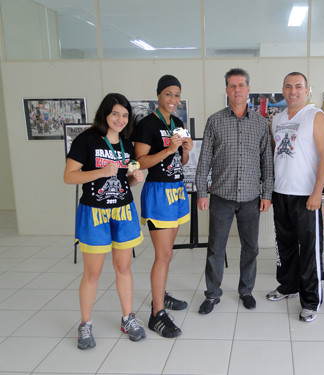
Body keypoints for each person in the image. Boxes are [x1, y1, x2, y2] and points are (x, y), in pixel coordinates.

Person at [63, 93, 146, 349]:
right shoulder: (86, 140)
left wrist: (136, 178)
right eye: (115, 114)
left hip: (122, 211)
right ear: (105, 114)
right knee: (93, 272)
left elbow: (125, 180)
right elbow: (69, 177)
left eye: (124, 115)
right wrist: (101, 171)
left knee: (123, 268)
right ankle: (85, 324)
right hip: (94, 213)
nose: (120, 119)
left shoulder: (127, 144)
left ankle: (127, 318)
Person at [195, 68, 273, 314]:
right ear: (227, 90)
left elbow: (267, 162)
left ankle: (246, 290)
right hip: (221, 197)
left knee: (251, 247)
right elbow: (204, 158)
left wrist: (267, 193)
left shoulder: (261, 123)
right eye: (232, 85)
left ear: (248, 89)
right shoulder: (215, 121)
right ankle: (212, 294)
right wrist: (201, 192)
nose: (237, 89)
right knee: (216, 247)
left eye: (241, 85)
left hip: (251, 198)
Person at [267, 72, 324, 323]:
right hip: (281, 192)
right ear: (283, 90)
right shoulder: (277, 119)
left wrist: (318, 192)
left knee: (309, 250)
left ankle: (311, 300)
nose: (293, 90)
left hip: (306, 195)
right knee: (284, 245)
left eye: (298, 86)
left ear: (307, 90)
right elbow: (278, 155)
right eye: (288, 86)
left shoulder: (315, 116)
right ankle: (287, 286)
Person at [132, 75, 194, 338]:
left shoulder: (178, 123)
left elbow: (183, 159)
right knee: (163, 254)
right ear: (158, 95)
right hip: (158, 192)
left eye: (177, 95)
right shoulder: (147, 124)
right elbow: (140, 162)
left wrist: (186, 149)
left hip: (176, 190)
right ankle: (157, 313)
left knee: (168, 254)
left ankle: (161, 294)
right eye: (169, 94)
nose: (173, 100)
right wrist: (169, 150)